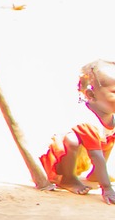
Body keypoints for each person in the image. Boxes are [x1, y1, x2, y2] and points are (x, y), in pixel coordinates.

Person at [39, 59, 115, 202]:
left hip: (85, 153)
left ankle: (95, 174)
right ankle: (68, 179)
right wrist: (107, 188)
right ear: (91, 95)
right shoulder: (88, 121)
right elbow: (96, 155)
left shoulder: (109, 114)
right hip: (61, 160)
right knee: (72, 140)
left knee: (109, 138)